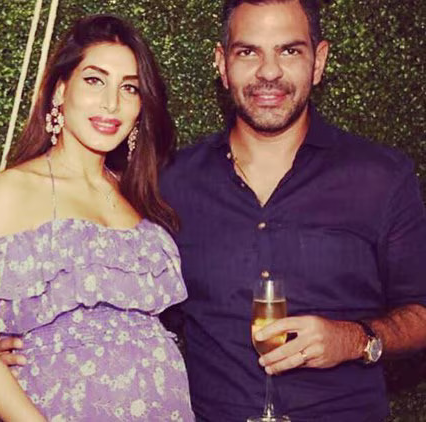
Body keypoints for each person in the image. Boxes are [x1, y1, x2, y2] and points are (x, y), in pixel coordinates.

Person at [159, 0, 426, 420]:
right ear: (222, 64)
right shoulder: (171, 182)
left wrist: (356, 339)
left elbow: (421, 311)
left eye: (289, 50)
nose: (269, 72)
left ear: (318, 61)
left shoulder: (381, 176)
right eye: (248, 51)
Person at [0, 15, 194, 422]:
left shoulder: (139, 196)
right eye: (94, 80)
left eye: (129, 87)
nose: (112, 103)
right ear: (60, 89)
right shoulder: (11, 191)